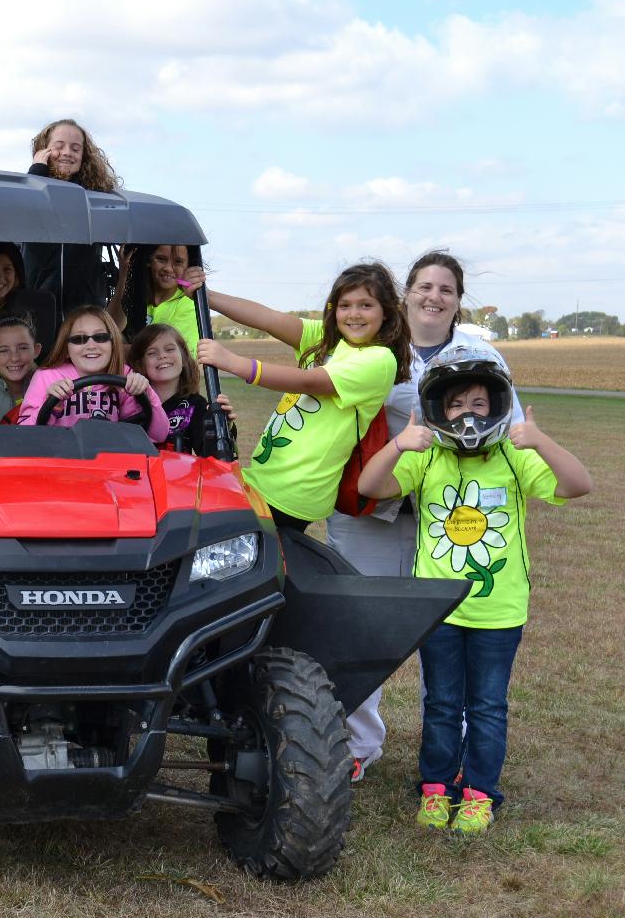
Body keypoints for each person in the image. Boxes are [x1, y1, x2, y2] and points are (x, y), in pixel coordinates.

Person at [357, 344, 591, 833]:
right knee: (441, 702)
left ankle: (481, 791)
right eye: (457, 405)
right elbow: (370, 487)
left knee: (487, 705)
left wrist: (540, 441)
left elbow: (578, 485)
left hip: (499, 612)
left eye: (479, 405)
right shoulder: (430, 458)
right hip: (439, 608)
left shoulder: (511, 458)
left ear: (499, 407)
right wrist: (400, 443)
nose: (467, 415)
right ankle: (437, 787)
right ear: (439, 410)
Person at [325, 249, 527, 782]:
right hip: (371, 506)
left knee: (446, 627)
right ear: (405, 293)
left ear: (459, 301)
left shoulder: (479, 352)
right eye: (425, 286)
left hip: (448, 516)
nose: (434, 297)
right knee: (362, 626)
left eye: (447, 289)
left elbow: (510, 426)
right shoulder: (372, 345)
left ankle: (455, 754)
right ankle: (359, 744)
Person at [196, 262, 411, 532]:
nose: (354, 314)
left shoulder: (379, 360)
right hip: (266, 479)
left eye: (366, 305)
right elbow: (268, 319)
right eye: (345, 305)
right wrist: (204, 295)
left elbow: (309, 381)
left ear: (387, 313)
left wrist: (233, 362)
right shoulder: (327, 340)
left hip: (296, 491)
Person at [18, 306, 168, 443]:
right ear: (66, 348)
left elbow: (158, 435)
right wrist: (51, 405)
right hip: (58, 463)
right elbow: (23, 436)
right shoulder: (46, 376)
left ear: (113, 343)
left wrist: (147, 392)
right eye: (79, 339)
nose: (91, 345)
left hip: (108, 464)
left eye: (100, 337)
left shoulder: (125, 375)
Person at [23, 118, 122, 314]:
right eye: (59, 146)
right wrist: (37, 173)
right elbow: (27, 211)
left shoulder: (97, 196)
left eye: (75, 149)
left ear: (84, 156)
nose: (67, 152)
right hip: (36, 311)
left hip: (83, 312)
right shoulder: (29, 189)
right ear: (43, 151)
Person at [127, 323, 233, 455]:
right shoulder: (130, 401)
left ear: (183, 359)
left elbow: (209, 454)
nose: (162, 356)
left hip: (176, 475)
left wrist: (221, 426)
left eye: (170, 349)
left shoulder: (195, 405)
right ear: (141, 365)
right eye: (152, 353)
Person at [117, 244, 205, 355]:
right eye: (161, 259)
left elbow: (175, 357)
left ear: (188, 267)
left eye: (178, 262)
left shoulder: (188, 305)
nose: (168, 268)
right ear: (148, 260)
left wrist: (117, 349)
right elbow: (109, 330)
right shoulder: (134, 297)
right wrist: (124, 274)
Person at [0, 314, 42, 425]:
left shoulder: (53, 386)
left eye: (23, 348)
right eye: (3, 351)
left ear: (36, 350)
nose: (15, 358)